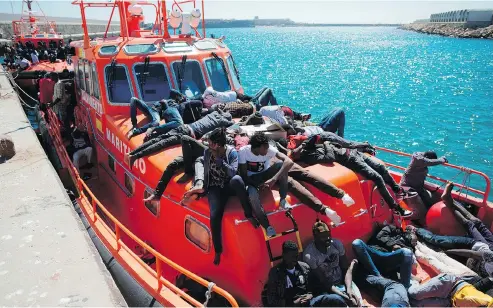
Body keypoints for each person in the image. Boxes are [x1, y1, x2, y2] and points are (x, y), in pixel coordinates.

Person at [290, 134, 411, 217]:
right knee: (377, 178)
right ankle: (396, 208)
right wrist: (326, 144)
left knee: (381, 167)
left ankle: (397, 188)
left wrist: (312, 141)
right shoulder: (309, 157)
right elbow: (329, 158)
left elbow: (321, 137)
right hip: (350, 160)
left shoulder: (309, 146)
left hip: (355, 153)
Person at [185, 128, 252, 265]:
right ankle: (218, 250)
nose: (208, 145)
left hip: (228, 185)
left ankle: (249, 213)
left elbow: (233, 172)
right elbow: (206, 172)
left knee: (237, 180)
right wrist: (203, 188)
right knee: (215, 215)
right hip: (215, 187)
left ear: (218, 145)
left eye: (210, 143)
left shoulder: (231, 152)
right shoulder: (207, 152)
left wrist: (222, 162)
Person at [124, 111, 234, 167]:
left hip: (184, 126)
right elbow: (233, 124)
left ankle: (132, 153)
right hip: (188, 133)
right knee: (162, 143)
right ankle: (135, 156)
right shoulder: (223, 122)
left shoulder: (213, 113)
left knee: (157, 139)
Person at [238, 132, 294, 237]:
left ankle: (283, 199)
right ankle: (267, 226)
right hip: (251, 179)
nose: (267, 150)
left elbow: (289, 162)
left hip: (266, 175)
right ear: (257, 148)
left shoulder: (270, 149)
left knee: (282, 165)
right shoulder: (243, 152)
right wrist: (257, 185)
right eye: (265, 148)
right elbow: (244, 175)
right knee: (253, 196)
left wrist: (273, 179)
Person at [264, 240, 348, 307]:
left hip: (309, 303)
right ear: (284, 255)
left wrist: (310, 295)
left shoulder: (304, 267)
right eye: (292, 256)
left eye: (296, 256)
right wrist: (292, 303)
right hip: (290, 305)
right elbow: (272, 299)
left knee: (335, 299)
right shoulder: (276, 273)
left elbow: (315, 286)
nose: (295, 259)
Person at [303, 221, 363, 306]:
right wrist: (345, 296)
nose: (328, 238)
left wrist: (349, 290)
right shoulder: (310, 255)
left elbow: (345, 269)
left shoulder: (336, 244)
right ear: (315, 237)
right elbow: (324, 282)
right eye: (323, 236)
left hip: (344, 282)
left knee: (357, 303)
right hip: (327, 289)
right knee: (341, 303)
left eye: (328, 234)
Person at [408, 273, 493, 307]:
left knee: (415, 303)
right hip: (450, 284)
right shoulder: (488, 303)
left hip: (449, 302)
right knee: (414, 294)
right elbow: (466, 300)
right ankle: (414, 280)